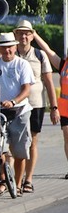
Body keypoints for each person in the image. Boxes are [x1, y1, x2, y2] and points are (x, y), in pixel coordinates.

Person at [13, 20, 60, 193]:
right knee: (15, 143)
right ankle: (13, 180)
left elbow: (48, 82)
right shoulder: (11, 53)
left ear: (32, 36)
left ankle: (29, 179)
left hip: (35, 104)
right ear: (15, 34)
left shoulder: (39, 55)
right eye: (20, 33)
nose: (24, 36)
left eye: (27, 33)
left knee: (32, 142)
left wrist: (54, 108)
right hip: (16, 105)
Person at [0, 32, 35, 198]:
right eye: (4, 47)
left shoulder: (22, 65)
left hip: (20, 111)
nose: (7, 50)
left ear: (15, 47)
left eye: (10, 47)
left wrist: (13, 101)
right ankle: (3, 181)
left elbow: (27, 89)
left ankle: (18, 183)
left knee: (20, 151)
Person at [32, 32, 68, 179]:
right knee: (67, 138)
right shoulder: (64, 65)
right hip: (65, 110)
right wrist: (35, 36)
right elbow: (48, 51)